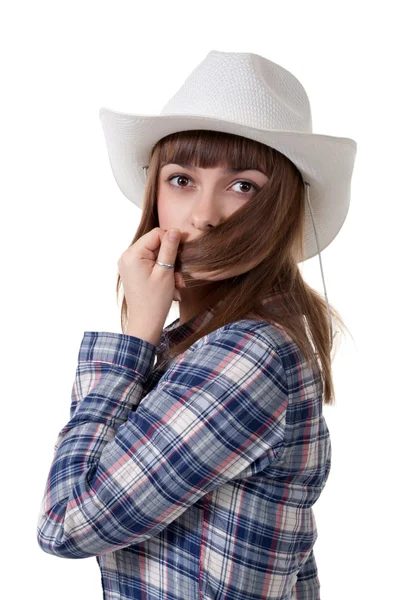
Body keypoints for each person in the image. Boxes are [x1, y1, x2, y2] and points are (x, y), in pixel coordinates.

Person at [36, 51, 357, 600]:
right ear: (154, 194)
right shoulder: (208, 348)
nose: (204, 214)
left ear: (281, 206)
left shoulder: (248, 354)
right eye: (182, 179)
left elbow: (66, 523)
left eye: (243, 186)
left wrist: (135, 336)